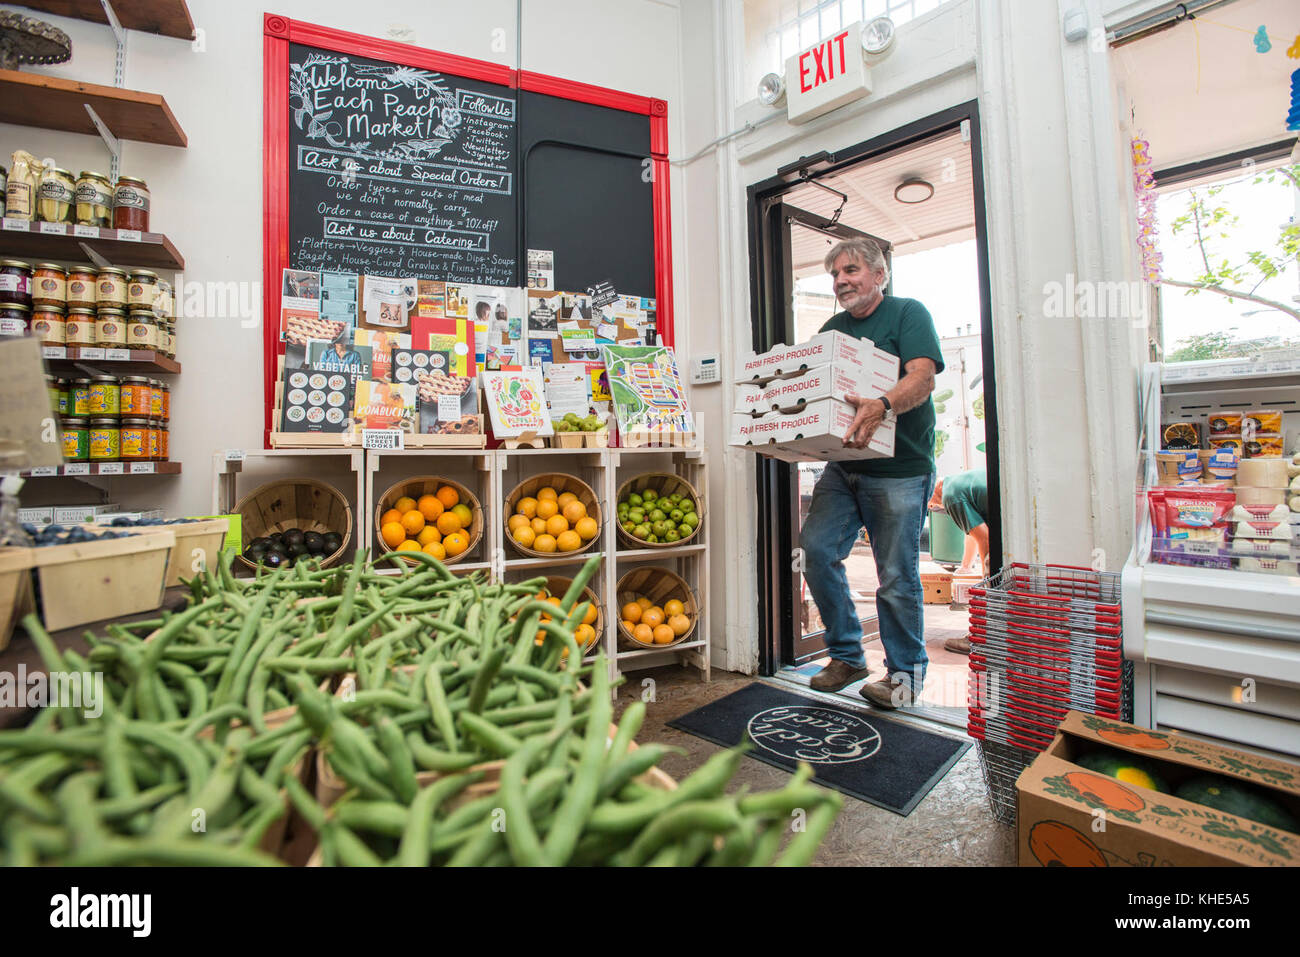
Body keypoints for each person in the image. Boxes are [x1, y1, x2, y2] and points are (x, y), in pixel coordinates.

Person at [803, 237, 944, 710]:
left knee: (896, 576)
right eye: (835, 275)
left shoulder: (908, 313)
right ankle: (847, 656)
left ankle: (903, 679)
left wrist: (881, 406)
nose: (842, 281)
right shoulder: (832, 328)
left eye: (851, 271)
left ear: (878, 275)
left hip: (900, 468)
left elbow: (922, 377)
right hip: (845, 465)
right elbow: (807, 382)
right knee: (817, 550)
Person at [928, 469, 990, 655]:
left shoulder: (951, 496)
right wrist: (965, 567)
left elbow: (985, 539)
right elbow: (972, 533)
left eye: (930, 504)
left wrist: (986, 575)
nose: (932, 507)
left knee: (990, 585)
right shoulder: (957, 482)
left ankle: (982, 640)